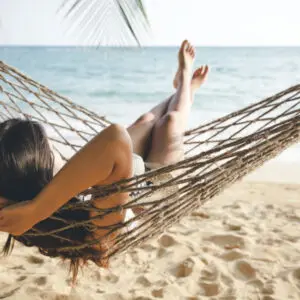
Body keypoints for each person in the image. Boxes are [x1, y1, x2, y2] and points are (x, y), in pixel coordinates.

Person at [0, 40, 208, 278]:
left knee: (145, 121)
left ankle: (180, 88)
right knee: (169, 122)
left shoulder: (51, 188)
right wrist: (36, 210)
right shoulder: (96, 226)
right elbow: (115, 138)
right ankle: (185, 85)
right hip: (151, 190)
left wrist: (36, 207)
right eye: (51, 151)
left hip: (117, 170)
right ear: (38, 178)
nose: (57, 149)